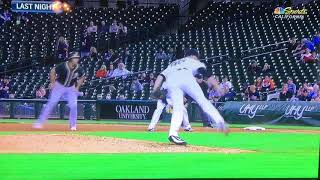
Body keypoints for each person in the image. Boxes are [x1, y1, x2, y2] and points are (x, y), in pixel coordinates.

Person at [151, 49, 229, 145]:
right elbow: (207, 75)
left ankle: (173, 134)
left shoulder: (173, 63)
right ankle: (220, 121)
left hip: (172, 81)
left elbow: (161, 76)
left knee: (178, 107)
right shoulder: (193, 61)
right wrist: (218, 87)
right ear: (195, 56)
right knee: (202, 101)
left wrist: (155, 89)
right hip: (186, 77)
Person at [33, 52, 86, 131]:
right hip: (59, 86)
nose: (77, 59)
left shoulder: (79, 68)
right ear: (71, 58)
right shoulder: (63, 66)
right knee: (51, 103)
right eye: (75, 57)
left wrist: (77, 87)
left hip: (71, 88)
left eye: (78, 57)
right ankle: (39, 122)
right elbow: (52, 71)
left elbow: (83, 76)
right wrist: (52, 82)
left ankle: (73, 125)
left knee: (74, 105)